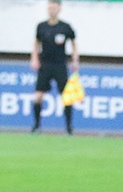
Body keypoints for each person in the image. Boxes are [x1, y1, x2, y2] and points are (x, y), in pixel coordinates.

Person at [30, 0, 78, 134]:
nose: (52, 10)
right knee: (38, 96)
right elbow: (36, 43)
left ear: (59, 8)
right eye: (50, 7)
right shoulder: (41, 26)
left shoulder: (65, 27)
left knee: (66, 97)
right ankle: (36, 126)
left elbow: (74, 44)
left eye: (54, 7)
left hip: (60, 65)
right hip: (45, 65)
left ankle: (69, 128)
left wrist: (75, 60)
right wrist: (34, 59)